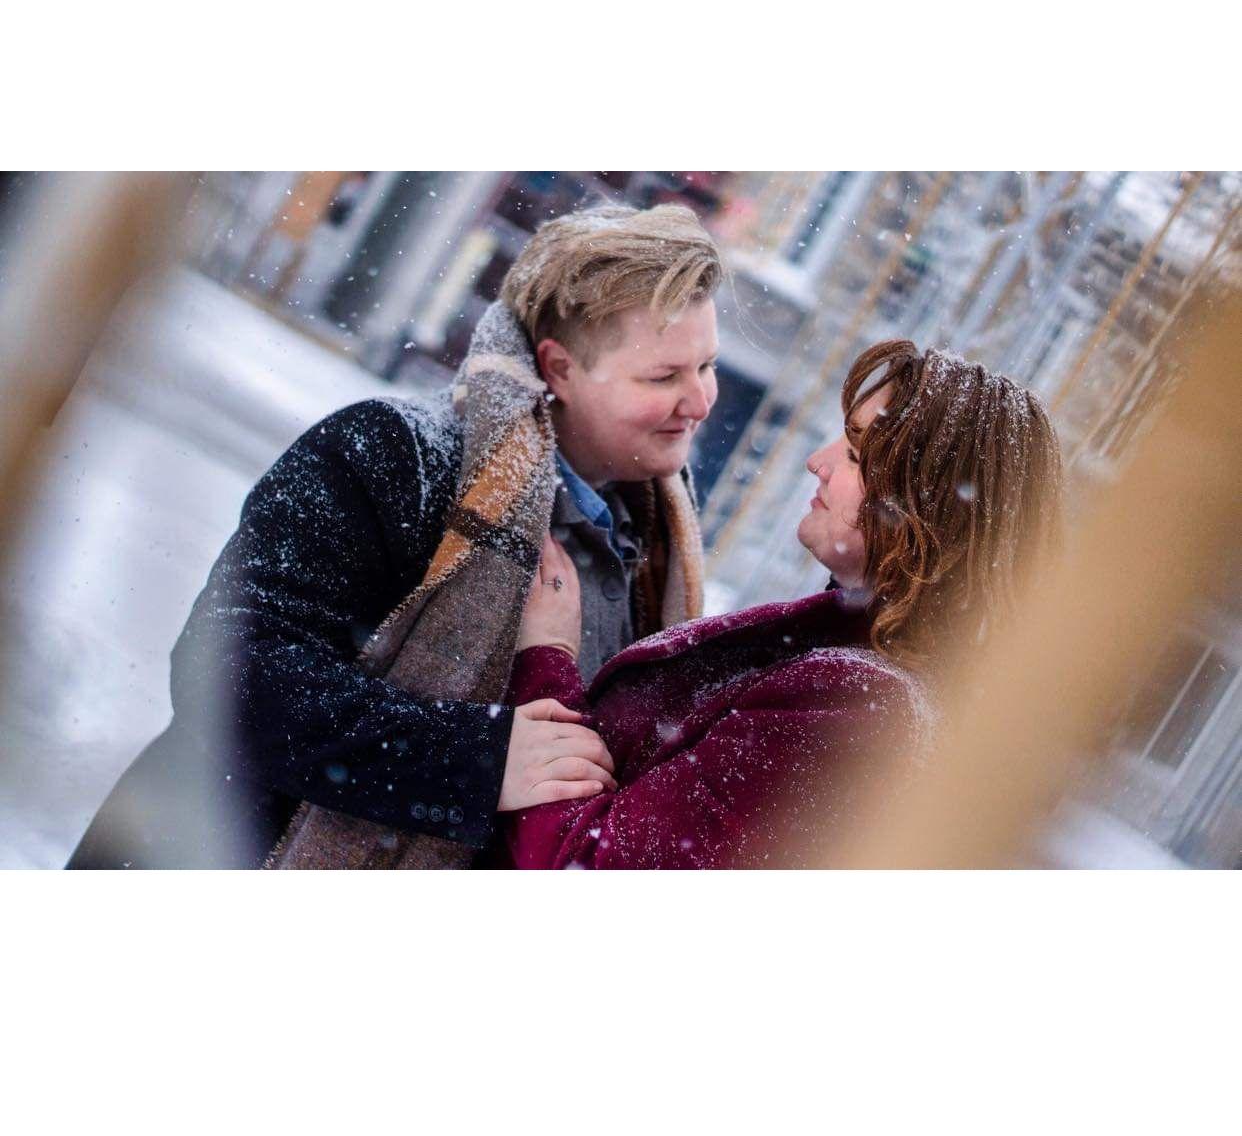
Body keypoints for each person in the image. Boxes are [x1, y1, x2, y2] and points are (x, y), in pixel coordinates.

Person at [67, 202, 723, 869]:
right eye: (664, 376)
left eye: (706, 366)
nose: (700, 401)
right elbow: (229, 674)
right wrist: (476, 760)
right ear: (558, 368)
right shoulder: (391, 456)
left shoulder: (654, 556)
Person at [505, 339, 1064, 868]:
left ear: (923, 504)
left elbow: (589, 868)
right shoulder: (883, 677)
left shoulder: (854, 708)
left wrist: (547, 659)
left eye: (853, 452)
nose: (817, 462)